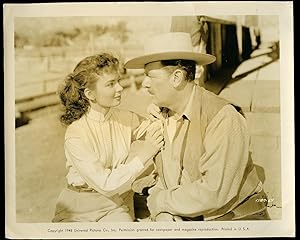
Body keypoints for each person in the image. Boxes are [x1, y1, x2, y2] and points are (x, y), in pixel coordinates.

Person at [125, 32, 270, 221]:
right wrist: (164, 211)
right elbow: (168, 175)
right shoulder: (164, 113)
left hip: (234, 219)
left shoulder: (223, 118)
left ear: (176, 77)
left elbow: (214, 192)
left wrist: (160, 202)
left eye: (150, 76)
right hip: (187, 213)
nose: (144, 84)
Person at [52, 53, 164, 222]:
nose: (120, 88)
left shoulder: (125, 118)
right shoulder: (76, 135)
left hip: (114, 204)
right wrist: (143, 156)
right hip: (77, 206)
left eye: (118, 81)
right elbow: (105, 184)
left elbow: (153, 128)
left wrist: (156, 109)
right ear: (90, 94)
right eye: (111, 84)